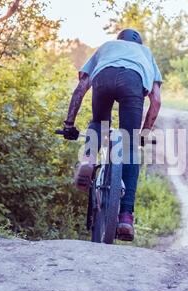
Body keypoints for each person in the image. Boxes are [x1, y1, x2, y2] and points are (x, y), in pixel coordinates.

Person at [61, 28, 162, 241]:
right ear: (138, 42)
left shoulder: (107, 47)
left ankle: (87, 160)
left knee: (99, 122)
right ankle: (125, 217)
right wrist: (143, 133)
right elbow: (156, 100)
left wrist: (69, 124)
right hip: (133, 82)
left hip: (103, 78)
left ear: (119, 40)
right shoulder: (146, 53)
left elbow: (81, 87)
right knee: (131, 146)